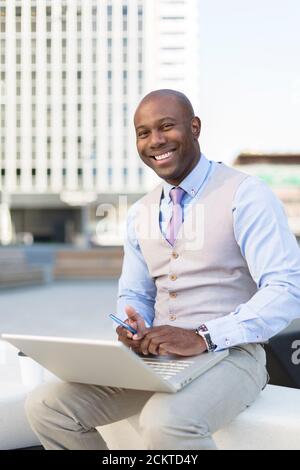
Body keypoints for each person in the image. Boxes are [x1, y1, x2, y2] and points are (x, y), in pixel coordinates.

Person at [25, 90, 300, 450]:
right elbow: (135, 293)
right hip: (158, 360)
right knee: (47, 408)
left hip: (233, 356)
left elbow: (286, 288)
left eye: (166, 126)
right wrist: (132, 325)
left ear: (195, 127)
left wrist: (203, 335)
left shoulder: (245, 194)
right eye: (143, 132)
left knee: (166, 423)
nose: (155, 141)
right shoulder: (140, 211)